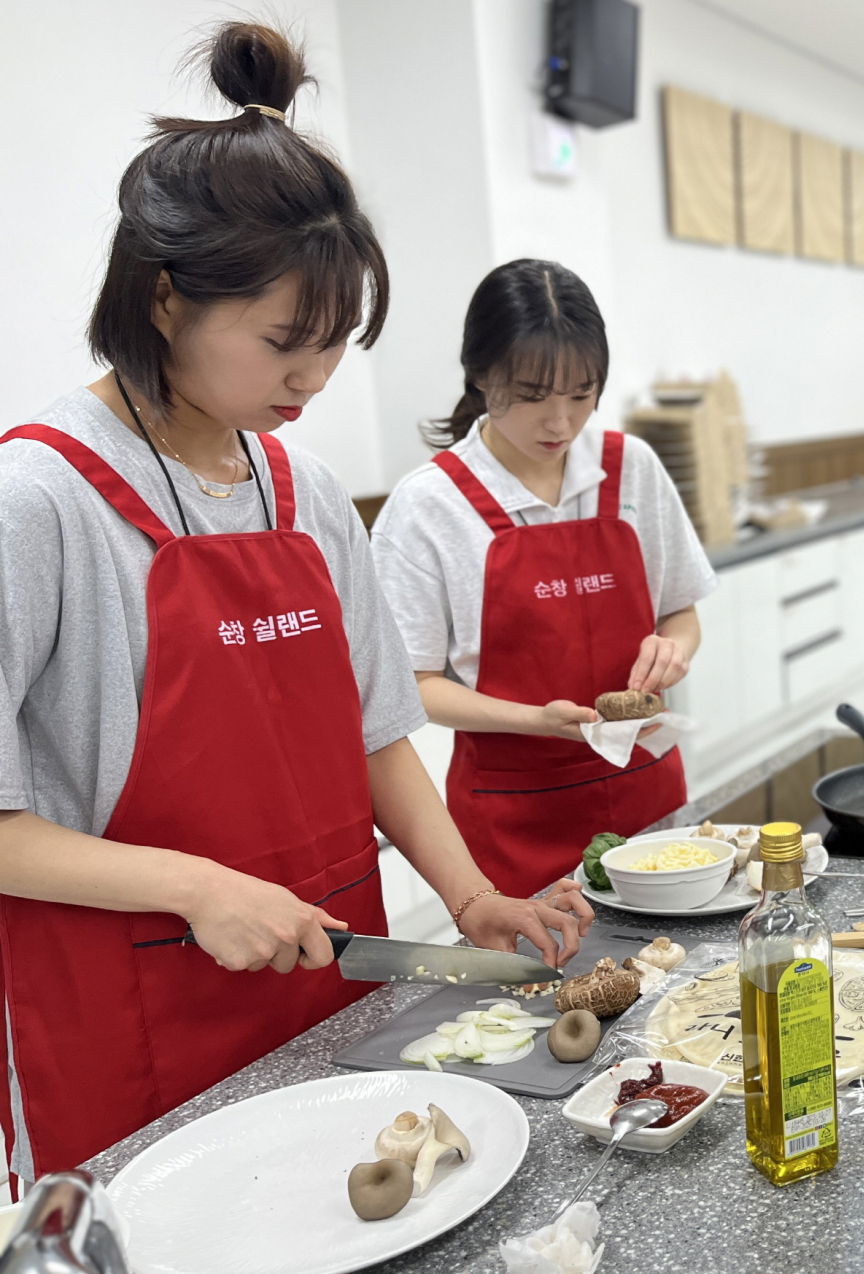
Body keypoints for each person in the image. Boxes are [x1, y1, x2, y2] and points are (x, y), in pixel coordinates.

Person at [0, 24, 589, 1185]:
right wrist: (195, 884)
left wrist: (469, 894)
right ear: (166, 299)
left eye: (334, 346)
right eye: (284, 343)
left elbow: (376, 734)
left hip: (327, 984)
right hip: (130, 1021)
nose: (315, 380)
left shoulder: (305, 492)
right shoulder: (40, 503)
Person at [371, 261, 715, 901]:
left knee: (674, 991)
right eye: (532, 395)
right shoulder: (429, 507)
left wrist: (675, 649)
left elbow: (681, 614)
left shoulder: (629, 469)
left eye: (582, 394)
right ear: (480, 376)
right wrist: (535, 719)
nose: (560, 422)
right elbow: (414, 689)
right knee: (533, 996)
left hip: (647, 794)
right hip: (514, 818)